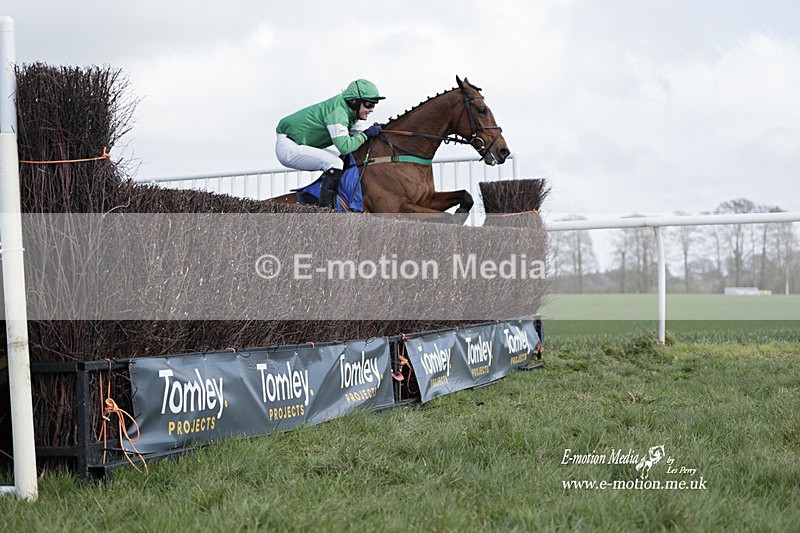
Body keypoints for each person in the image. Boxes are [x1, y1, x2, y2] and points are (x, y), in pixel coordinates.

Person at [275, 79, 385, 207]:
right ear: (355, 102)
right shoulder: (338, 112)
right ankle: (327, 212)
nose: (371, 109)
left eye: (374, 104)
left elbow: (357, 137)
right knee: (335, 163)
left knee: (342, 160)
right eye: (369, 104)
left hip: (299, 144)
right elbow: (345, 146)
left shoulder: (349, 111)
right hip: (289, 148)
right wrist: (366, 134)